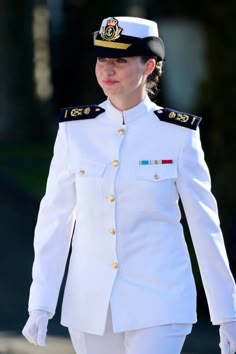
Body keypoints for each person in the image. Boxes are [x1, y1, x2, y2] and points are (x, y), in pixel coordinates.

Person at [22, 16, 236, 354]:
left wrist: (227, 313)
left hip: (160, 301)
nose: (107, 69)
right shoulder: (75, 130)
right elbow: (55, 219)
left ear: (149, 65)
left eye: (120, 60)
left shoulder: (177, 134)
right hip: (90, 305)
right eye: (102, 58)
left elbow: (205, 226)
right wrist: (41, 303)